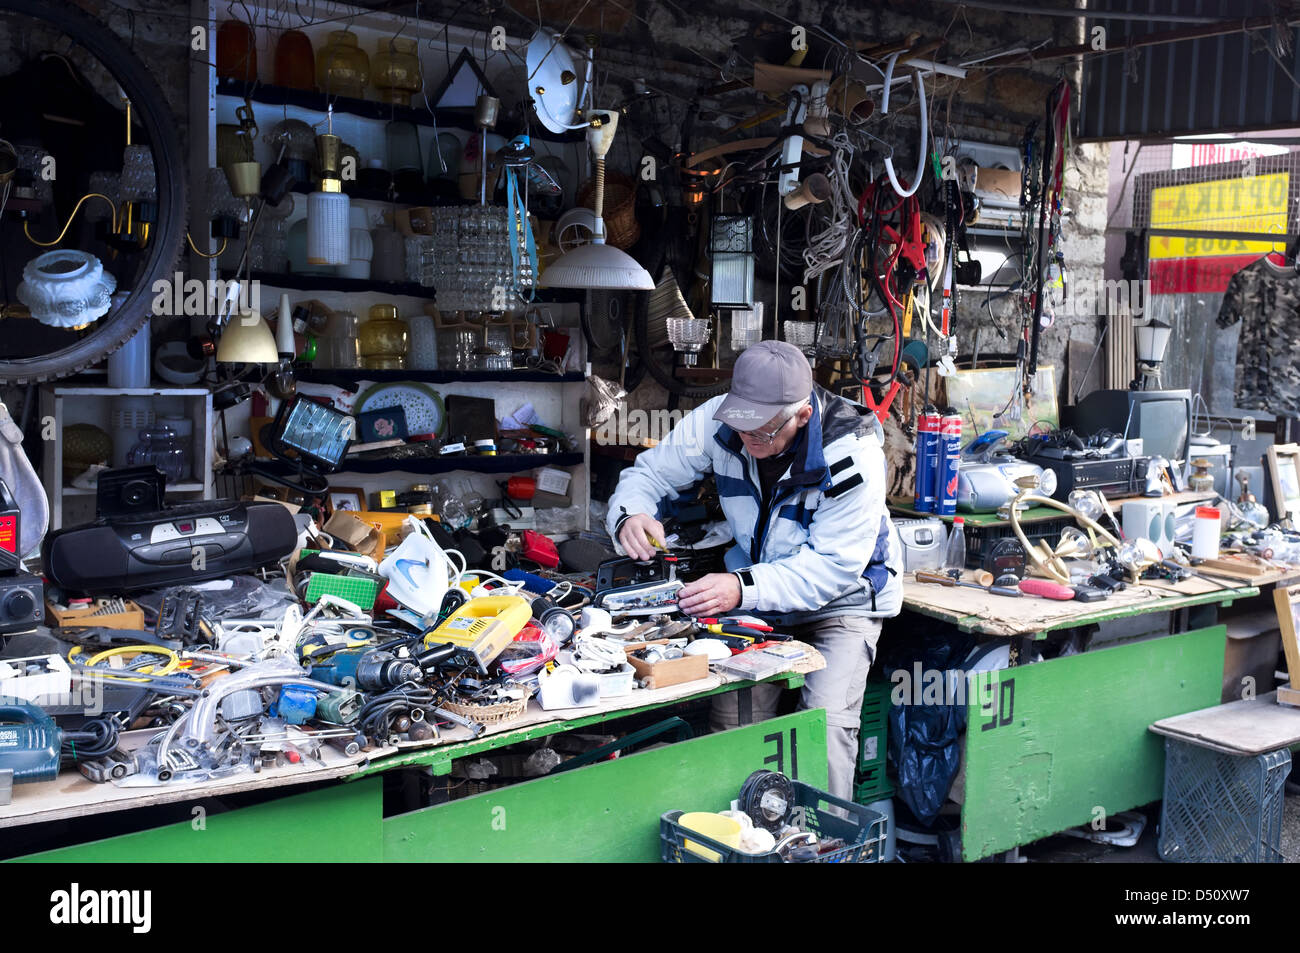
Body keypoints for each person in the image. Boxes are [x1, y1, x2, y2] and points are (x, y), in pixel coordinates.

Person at [606, 340, 901, 800]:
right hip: (755, 590)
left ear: (802, 416)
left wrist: (741, 589)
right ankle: (744, 838)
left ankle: (823, 844)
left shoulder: (852, 453)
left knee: (821, 729)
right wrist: (631, 515)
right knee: (735, 728)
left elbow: (831, 568)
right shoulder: (721, 420)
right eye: (740, 427)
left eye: (761, 433)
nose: (745, 440)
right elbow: (648, 475)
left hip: (842, 599)